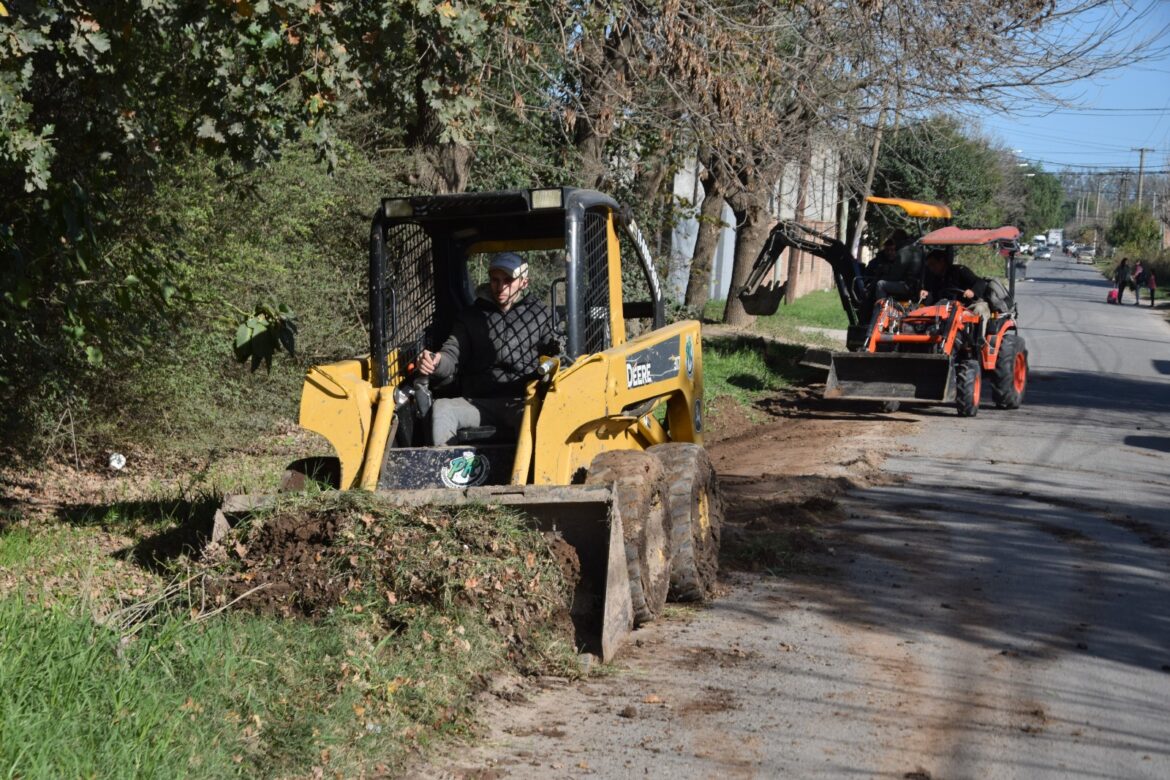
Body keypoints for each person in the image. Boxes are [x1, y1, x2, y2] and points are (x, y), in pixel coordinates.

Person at [417, 252, 556, 445]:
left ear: (524, 283)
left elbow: (556, 357)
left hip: (522, 402)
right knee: (442, 409)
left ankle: (528, 466)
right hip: (478, 401)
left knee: (538, 418)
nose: (501, 287)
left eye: (508, 280)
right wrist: (437, 362)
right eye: (495, 280)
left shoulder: (541, 315)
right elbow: (452, 352)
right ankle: (444, 463)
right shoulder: (471, 316)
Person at [919, 249, 991, 340]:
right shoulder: (934, 278)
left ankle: (978, 341)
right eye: (929, 266)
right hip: (946, 307)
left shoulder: (960, 270)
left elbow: (980, 282)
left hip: (967, 305)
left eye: (933, 264)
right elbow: (934, 296)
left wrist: (972, 292)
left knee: (980, 309)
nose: (931, 268)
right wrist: (927, 294)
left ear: (942, 261)